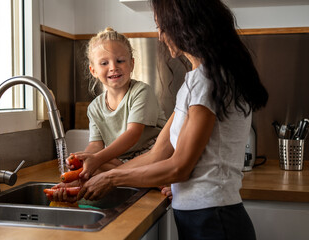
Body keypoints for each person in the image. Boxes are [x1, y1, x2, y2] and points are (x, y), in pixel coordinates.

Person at [76, 1, 268, 239]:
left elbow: (179, 167)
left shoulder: (208, 80)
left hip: (214, 220)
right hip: (201, 217)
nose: (160, 35)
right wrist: (90, 182)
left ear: (184, 26)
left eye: (162, 26)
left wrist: (112, 177)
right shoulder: (196, 81)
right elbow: (156, 154)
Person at [47, 27, 166, 202]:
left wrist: (96, 159)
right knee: (93, 165)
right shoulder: (94, 107)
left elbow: (133, 134)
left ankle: (155, 179)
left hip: (153, 156)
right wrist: (84, 162)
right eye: (104, 63)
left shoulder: (141, 92)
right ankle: (75, 188)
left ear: (132, 64)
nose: (113, 67)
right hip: (123, 163)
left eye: (120, 61)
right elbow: (95, 145)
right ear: (93, 70)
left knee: (100, 164)